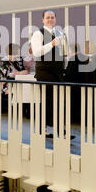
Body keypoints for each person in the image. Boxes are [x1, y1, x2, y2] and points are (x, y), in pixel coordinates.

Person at [31, 10, 65, 138]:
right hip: (45, 72)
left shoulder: (58, 33)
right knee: (48, 101)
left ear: (55, 19)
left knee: (58, 101)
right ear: (43, 20)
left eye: (52, 17)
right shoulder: (37, 34)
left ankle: (57, 128)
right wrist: (52, 44)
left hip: (57, 72)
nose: (50, 19)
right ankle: (50, 129)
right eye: (47, 17)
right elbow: (36, 52)